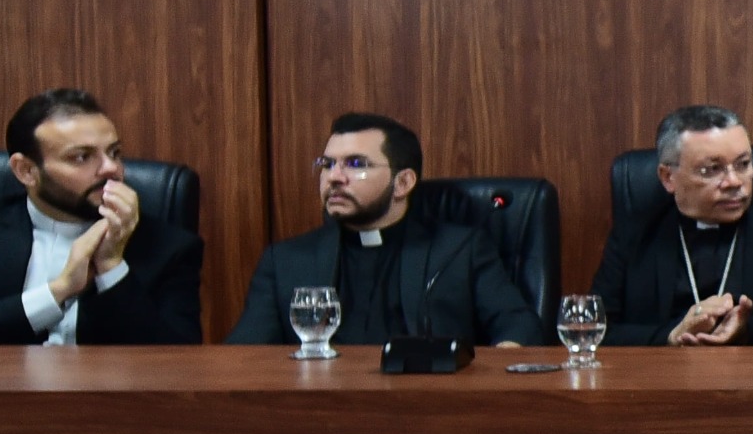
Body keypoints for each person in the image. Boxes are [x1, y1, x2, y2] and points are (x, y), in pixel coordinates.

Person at [0, 87, 204, 345]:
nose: (111, 168)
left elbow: (179, 365)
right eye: (81, 157)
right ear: (26, 171)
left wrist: (112, 268)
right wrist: (59, 291)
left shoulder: (168, 247)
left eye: (114, 152)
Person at [227, 111, 549, 346]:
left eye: (356, 164)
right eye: (327, 164)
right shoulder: (286, 261)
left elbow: (520, 327)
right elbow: (245, 354)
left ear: (403, 182)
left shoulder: (458, 252)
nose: (334, 177)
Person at [595, 104, 753, 346]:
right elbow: (592, 330)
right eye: (711, 169)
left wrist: (749, 331)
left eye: (743, 164)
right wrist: (670, 336)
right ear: (668, 177)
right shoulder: (632, 240)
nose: (734, 181)